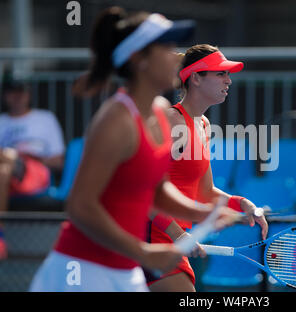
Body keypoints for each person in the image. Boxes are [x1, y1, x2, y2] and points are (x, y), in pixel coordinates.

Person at [29, 7, 239, 292]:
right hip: (82, 268)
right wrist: (144, 252)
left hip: (125, 270)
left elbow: (157, 190)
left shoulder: (160, 112)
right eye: (165, 48)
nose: (175, 56)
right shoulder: (116, 120)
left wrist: (204, 212)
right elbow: (79, 207)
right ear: (140, 60)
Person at [145, 44, 269, 292]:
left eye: (228, 74)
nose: (228, 81)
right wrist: (179, 236)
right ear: (196, 79)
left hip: (171, 243)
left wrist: (241, 203)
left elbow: (204, 191)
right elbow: (144, 192)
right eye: (220, 73)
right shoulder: (169, 121)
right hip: (151, 240)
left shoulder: (203, 125)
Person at [0, 79, 66, 259]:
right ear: (5, 96)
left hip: (36, 172)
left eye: (21, 92)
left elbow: (59, 161)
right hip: (7, 175)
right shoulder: (1, 121)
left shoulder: (45, 118)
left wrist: (30, 157)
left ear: (28, 95)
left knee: (8, 159)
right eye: (12, 92)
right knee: (4, 169)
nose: (17, 97)